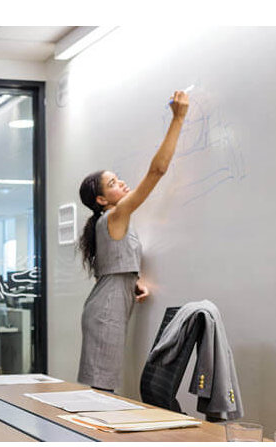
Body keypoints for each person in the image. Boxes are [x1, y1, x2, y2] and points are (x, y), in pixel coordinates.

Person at [76, 90, 189, 393]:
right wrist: (178, 118)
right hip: (107, 306)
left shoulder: (110, 221)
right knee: (100, 388)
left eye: (118, 178)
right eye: (112, 184)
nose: (121, 183)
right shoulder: (115, 215)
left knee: (102, 385)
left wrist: (132, 280)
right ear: (102, 200)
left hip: (112, 296)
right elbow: (157, 171)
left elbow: (117, 260)